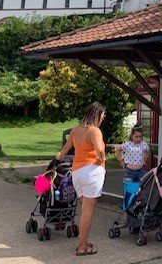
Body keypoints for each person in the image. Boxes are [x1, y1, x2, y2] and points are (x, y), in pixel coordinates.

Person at [49, 102, 106, 256]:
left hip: (77, 173)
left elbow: (65, 149)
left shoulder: (75, 130)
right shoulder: (95, 131)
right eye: (103, 115)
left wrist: (55, 161)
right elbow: (100, 149)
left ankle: (84, 241)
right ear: (97, 115)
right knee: (87, 212)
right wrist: (102, 159)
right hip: (92, 172)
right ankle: (82, 247)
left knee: (84, 209)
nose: (104, 117)